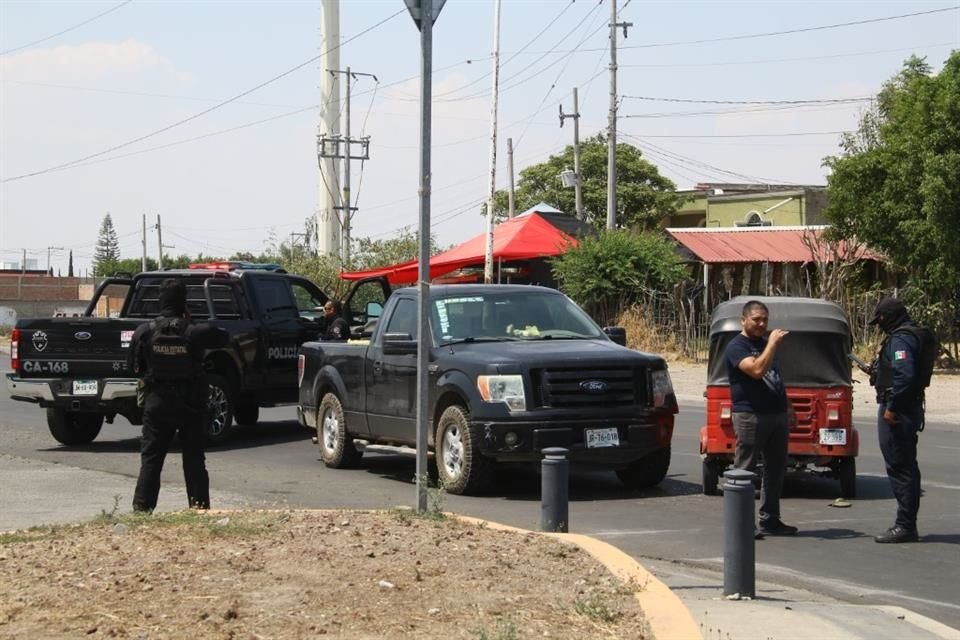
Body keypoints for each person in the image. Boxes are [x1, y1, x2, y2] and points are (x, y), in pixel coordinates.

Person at [128, 279, 229, 512]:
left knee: (151, 460)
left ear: (160, 300)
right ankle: (199, 507)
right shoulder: (195, 332)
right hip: (190, 403)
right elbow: (224, 337)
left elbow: (133, 367)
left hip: (157, 403)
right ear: (184, 301)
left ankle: (142, 510)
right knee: (194, 459)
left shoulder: (145, 332)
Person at [725, 300, 798, 538]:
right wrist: (773, 345)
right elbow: (756, 371)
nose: (762, 324)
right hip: (750, 415)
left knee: (776, 470)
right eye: (756, 319)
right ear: (743, 320)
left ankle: (770, 519)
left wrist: (789, 407)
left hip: (776, 414)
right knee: (745, 471)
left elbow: (775, 377)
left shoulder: (767, 345)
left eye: (765, 319)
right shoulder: (736, 346)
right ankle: (742, 523)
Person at [868, 297, 923, 543]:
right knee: (905, 464)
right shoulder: (911, 335)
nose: (880, 326)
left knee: (901, 466)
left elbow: (905, 376)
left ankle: (905, 525)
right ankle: (907, 522)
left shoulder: (901, 339)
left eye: (880, 320)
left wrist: (892, 408)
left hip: (899, 411)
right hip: (906, 407)